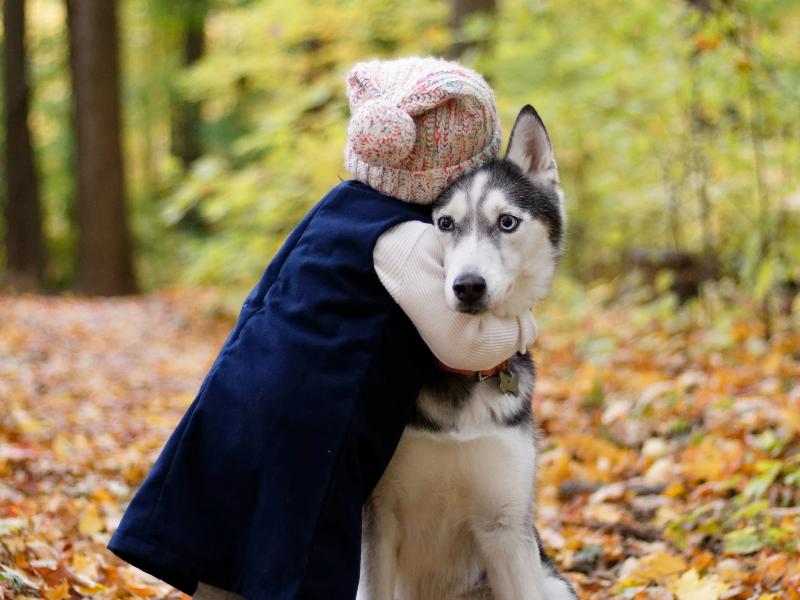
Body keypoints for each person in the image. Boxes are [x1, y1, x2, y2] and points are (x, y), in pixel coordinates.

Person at [108, 57, 537, 600]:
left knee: (231, 540)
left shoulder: (334, 207)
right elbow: (460, 343)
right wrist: (523, 327)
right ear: (455, 169)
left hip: (241, 395)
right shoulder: (404, 238)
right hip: (312, 419)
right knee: (292, 554)